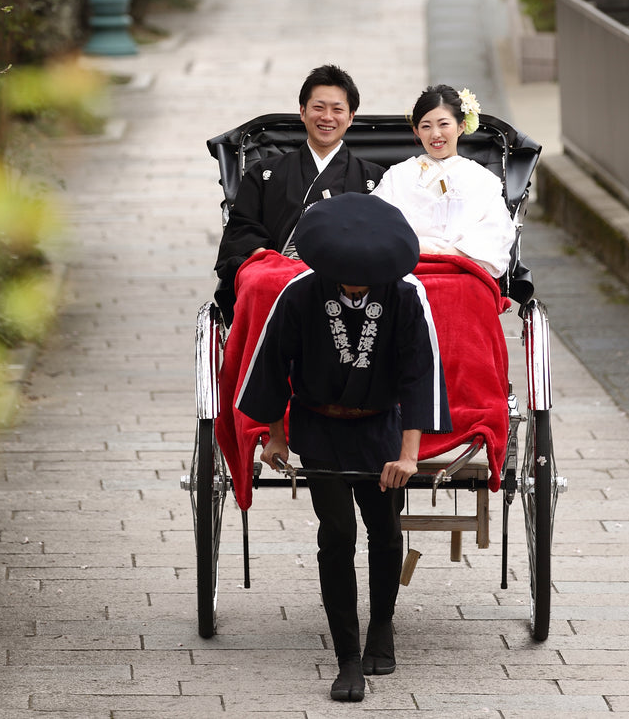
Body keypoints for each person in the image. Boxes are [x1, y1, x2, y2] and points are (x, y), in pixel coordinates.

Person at [236, 193, 451, 703]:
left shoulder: (402, 296)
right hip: (321, 428)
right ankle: (347, 657)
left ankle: (381, 627)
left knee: (383, 528)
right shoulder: (301, 294)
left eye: (366, 273)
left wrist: (409, 455)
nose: (357, 280)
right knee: (337, 534)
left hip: (379, 430)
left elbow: (420, 375)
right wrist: (275, 434)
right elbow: (272, 366)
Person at [213, 65, 385, 323]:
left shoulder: (375, 178)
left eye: (337, 109)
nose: (327, 117)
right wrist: (268, 261)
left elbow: (383, 237)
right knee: (257, 281)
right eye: (318, 107)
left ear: (350, 117)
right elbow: (242, 229)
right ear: (302, 112)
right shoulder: (265, 173)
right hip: (277, 272)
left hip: (351, 277)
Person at [372, 84, 515, 278]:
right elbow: (377, 221)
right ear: (416, 131)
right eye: (426, 126)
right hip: (405, 269)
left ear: (461, 126)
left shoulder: (482, 179)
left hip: (463, 270)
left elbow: (496, 229)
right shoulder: (398, 175)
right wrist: (417, 247)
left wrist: (454, 254)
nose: (435, 134)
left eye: (443, 124)